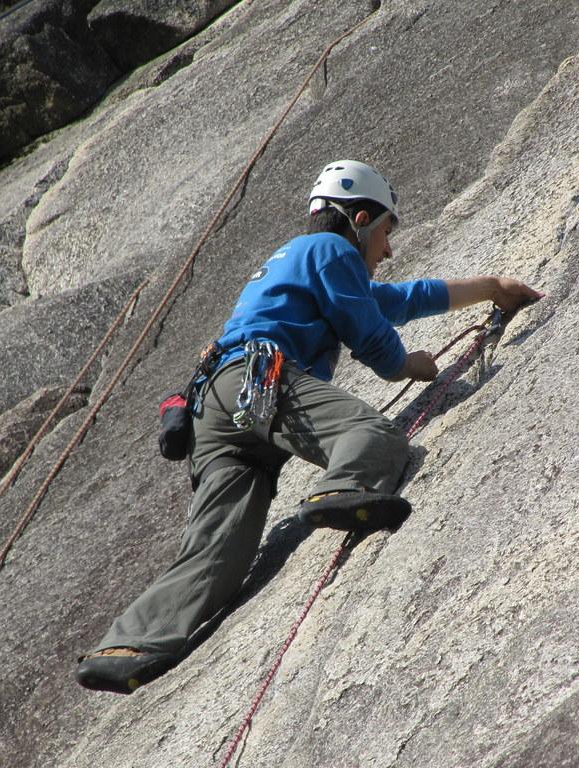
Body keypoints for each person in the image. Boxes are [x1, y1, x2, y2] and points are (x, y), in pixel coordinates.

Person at [76, 160, 542, 694]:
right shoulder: (333, 251)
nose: (388, 249)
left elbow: (396, 300)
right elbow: (372, 337)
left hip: (215, 408)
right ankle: (341, 488)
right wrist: (409, 366)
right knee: (372, 436)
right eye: (387, 232)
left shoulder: (300, 260)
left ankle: (130, 644)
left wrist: (488, 288)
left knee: (220, 548)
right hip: (259, 380)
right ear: (361, 218)